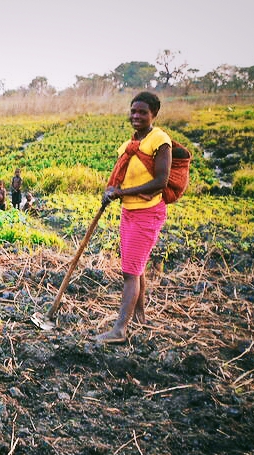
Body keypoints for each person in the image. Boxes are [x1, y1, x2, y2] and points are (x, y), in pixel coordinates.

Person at [95, 92, 172, 345]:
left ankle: (119, 329)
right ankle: (139, 316)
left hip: (148, 212)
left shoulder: (160, 141)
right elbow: (122, 177)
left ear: (154, 115)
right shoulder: (128, 145)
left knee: (130, 272)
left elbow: (161, 181)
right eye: (134, 111)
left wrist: (122, 192)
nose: (136, 116)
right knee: (135, 268)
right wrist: (112, 191)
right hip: (129, 211)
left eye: (143, 112)